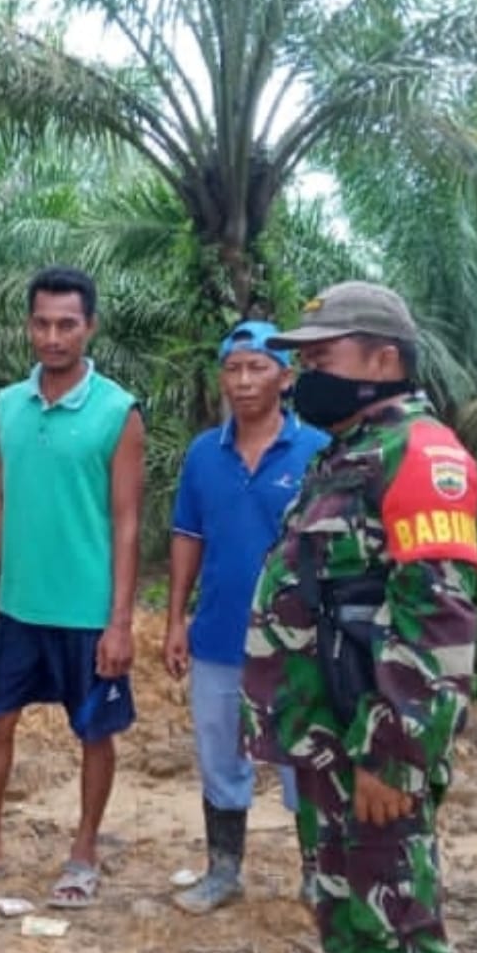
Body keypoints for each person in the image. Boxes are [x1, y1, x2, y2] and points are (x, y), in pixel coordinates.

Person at [239, 282, 477, 953]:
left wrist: (392, 754)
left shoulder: (420, 453)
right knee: (346, 898)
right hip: (331, 739)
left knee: (390, 918)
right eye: (300, 357)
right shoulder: (350, 450)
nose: (302, 372)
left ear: (383, 359)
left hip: (372, 746)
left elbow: (437, 621)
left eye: (320, 355)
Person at [0, 265, 144, 909]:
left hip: (87, 611)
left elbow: (127, 522)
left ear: (90, 326)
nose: (53, 336)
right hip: (19, 607)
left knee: (94, 732)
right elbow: (1, 503)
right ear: (28, 326)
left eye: (67, 323)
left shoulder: (117, 413)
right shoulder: (9, 403)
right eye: (41, 323)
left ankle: (84, 850)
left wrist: (120, 621)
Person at [163, 321, 330, 915]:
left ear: (285, 378)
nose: (243, 379)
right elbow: (188, 536)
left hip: (297, 642)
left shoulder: (316, 452)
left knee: (304, 757)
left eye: (257, 367)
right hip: (218, 637)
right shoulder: (204, 454)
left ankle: (317, 874)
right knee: (219, 755)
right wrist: (175, 619)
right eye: (233, 368)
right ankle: (223, 871)